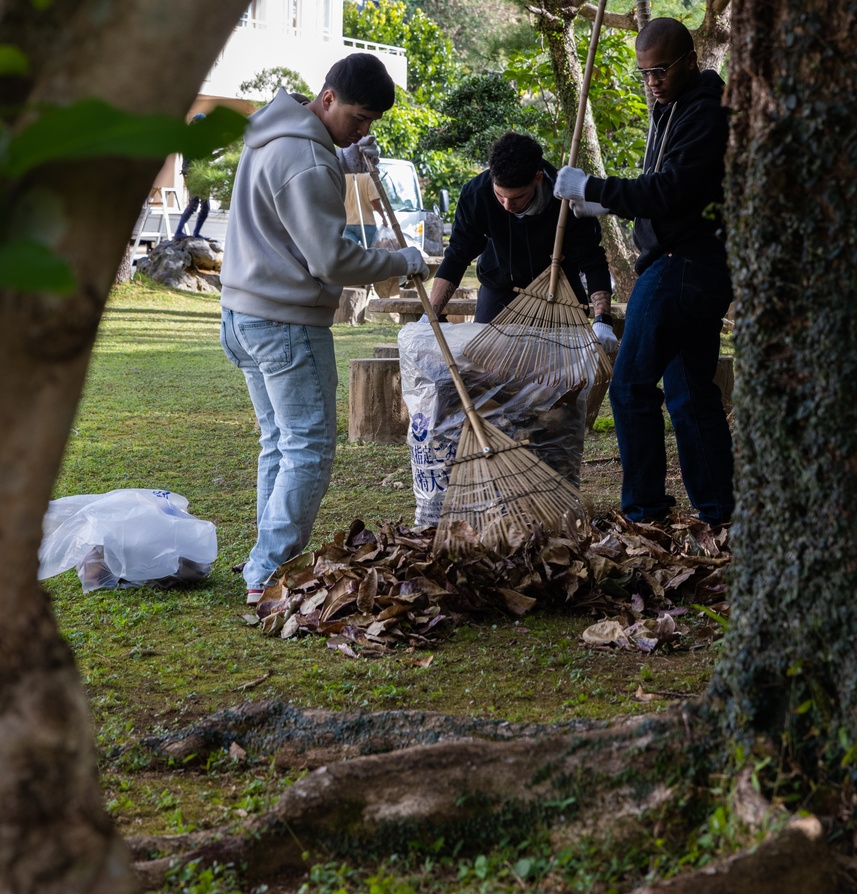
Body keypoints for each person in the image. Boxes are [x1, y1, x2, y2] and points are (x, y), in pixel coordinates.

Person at [220, 57, 428, 603]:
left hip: (242, 315)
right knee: (308, 448)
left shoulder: (271, 129)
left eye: (371, 123)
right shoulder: (307, 158)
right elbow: (331, 261)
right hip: (284, 321)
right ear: (328, 98)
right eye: (359, 118)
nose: (364, 130)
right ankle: (269, 574)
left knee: (281, 444)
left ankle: (266, 564)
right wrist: (401, 260)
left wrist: (345, 155)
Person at [554, 18, 733, 529]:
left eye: (660, 70)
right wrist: (604, 207)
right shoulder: (671, 108)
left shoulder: (705, 112)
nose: (652, 80)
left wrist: (595, 189)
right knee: (690, 393)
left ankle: (646, 514)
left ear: (690, 61)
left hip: (684, 265)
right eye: (644, 73)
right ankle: (722, 516)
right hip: (685, 262)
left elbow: (669, 191)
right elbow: (666, 192)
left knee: (630, 385)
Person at [429, 131, 617, 354]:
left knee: (565, 369)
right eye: (500, 196)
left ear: (537, 179)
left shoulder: (567, 199)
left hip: (560, 287)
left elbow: (591, 259)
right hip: (501, 282)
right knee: (485, 359)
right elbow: (457, 255)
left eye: (516, 198)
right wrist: (429, 316)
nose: (507, 206)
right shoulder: (476, 195)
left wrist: (602, 319)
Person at [173, 113, 211, 240]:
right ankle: (179, 231)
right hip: (193, 173)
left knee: (204, 206)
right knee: (194, 203)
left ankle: (195, 232)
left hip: (201, 173)